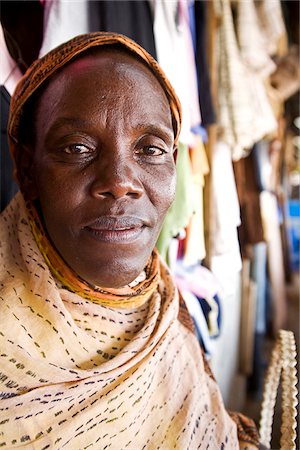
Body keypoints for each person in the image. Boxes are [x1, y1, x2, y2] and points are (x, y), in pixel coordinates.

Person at [0, 32, 260, 449]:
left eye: (151, 149)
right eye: (77, 147)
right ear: (26, 170)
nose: (120, 182)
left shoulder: (162, 304)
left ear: (175, 163)